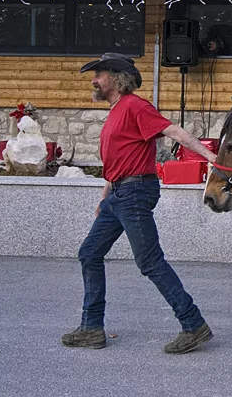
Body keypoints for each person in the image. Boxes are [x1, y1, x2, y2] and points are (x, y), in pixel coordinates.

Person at [61, 52, 220, 354]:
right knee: (89, 253)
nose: (94, 80)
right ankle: (91, 328)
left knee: (149, 261)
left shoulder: (136, 106)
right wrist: (105, 197)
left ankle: (193, 325)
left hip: (134, 193)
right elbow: (117, 160)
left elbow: (175, 132)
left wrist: (212, 157)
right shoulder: (117, 111)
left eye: (99, 74)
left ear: (116, 80)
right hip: (118, 194)